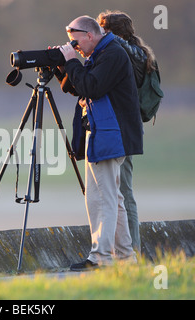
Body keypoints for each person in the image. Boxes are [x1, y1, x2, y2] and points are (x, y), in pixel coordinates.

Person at [56, 16, 143, 270]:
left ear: (90, 35)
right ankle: (126, 257)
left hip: (110, 134)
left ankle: (101, 258)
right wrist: (65, 66)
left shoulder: (112, 54)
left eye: (75, 40)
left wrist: (72, 61)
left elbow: (92, 87)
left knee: (100, 197)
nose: (74, 46)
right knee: (112, 197)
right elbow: (78, 86)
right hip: (105, 133)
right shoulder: (103, 52)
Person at [96, 10, 157, 253]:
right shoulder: (136, 52)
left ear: (112, 32)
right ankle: (124, 248)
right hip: (123, 126)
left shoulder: (126, 53)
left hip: (121, 128)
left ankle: (131, 249)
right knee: (120, 190)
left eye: (102, 30)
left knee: (123, 191)